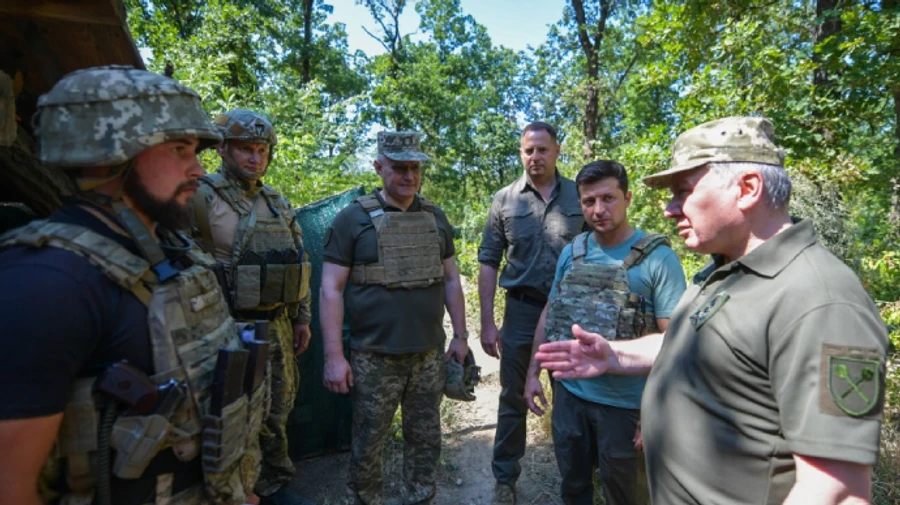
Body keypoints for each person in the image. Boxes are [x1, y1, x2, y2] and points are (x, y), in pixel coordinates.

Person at [536, 116, 889, 505]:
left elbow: (839, 492)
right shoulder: (722, 273)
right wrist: (615, 354)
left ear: (748, 188)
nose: (670, 209)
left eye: (683, 191)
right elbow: (687, 344)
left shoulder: (822, 301)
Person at [0, 66, 268, 505]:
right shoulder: (46, 281)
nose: (199, 169)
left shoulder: (170, 251)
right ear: (112, 152)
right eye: (180, 149)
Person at [524, 160, 686, 505]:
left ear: (627, 198)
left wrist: (654, 412)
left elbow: (675, 344)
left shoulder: (658, 259)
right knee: (574, 487)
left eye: (608, 198)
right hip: (570, 397)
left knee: (627, 496)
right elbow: (551, 310)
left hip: (627, 407)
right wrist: (533, 372)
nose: (598, 210)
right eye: (588, 201)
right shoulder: (574, 251)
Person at [320, 131, 469, 505]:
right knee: (368, 441)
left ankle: (420, 497)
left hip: (428, 355)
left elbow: (451, 279)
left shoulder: (435, 217)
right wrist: (334, 357)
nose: (408, 176)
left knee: (426, 438)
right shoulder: (351, 220)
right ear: (379, 167)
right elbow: (330, 290)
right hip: (374, 356)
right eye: (399, 167)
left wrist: (461, 336)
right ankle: (365, 500)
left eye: (414, 168)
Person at [191, 108, 312, 505]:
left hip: (276, 325)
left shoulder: (276, 201)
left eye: (261, 149)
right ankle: (240, 491)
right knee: (236, 419)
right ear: (223, 149)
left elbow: (297, 261)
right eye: (245, 148)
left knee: (278, 411)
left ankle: (276, 484)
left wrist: (301, 318)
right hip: (228, 329)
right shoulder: (202, 196)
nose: (255, 158)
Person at [477, 121, 584, 504]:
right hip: (522, 311)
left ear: (557, 151)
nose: (535, 157)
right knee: (513, 397)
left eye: (542, 149)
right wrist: (487, 322)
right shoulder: (505, 200)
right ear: (521, 153)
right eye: (528, 150)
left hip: (572, 314)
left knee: (573, 398)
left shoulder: (581, 195)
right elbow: (489, 260)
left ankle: (578, 481)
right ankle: (505, 479)